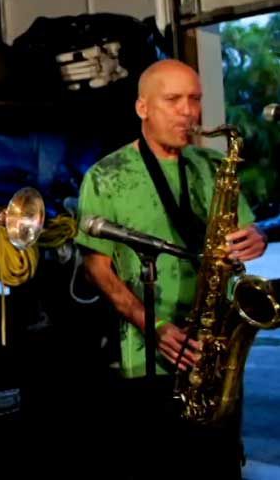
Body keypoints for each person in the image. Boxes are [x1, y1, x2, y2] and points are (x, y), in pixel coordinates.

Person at [76, 59, 267, 479]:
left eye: (195, 99)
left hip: (214, 354)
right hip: (148, 357)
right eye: (173, 99)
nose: (188, 111)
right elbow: (97, 270)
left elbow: (245, 232)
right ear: (142, 107)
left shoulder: (213, 166)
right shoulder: (105, 176)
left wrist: (257, 237)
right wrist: (156, 327)